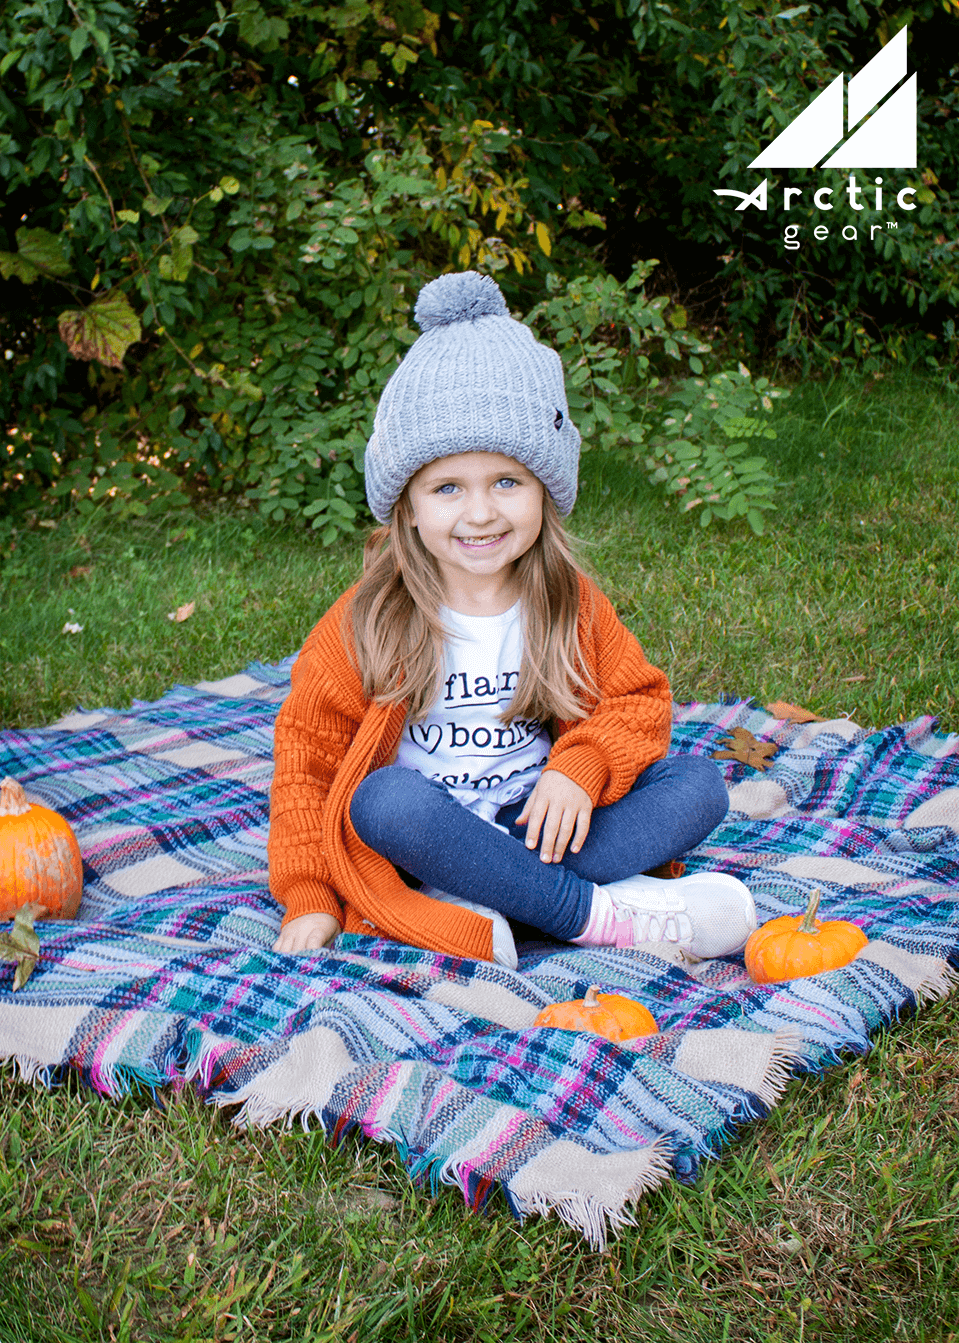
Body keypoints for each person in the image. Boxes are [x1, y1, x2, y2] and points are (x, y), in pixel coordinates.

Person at [268, 271, 756, 968]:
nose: (479, 513)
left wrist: (579, 768)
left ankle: (512, 897)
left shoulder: (568, 601)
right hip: (427, 842)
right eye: (446, 487)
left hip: (543, 829)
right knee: (382, 801)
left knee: (698, 786)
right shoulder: (365, 620)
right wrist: (311, 895)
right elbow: (306, 764)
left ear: (544, 488)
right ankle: (591, 914)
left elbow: (637, 704)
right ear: (405, 503)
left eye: (506, 480)